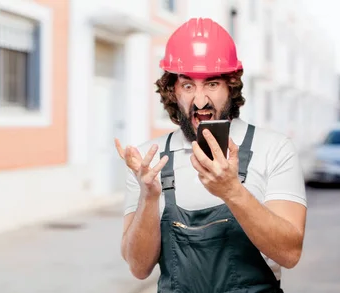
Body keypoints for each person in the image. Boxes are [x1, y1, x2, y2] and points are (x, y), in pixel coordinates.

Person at [114, 17, 307, 293]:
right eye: (188, 85)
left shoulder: (274, 149)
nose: (201, 100)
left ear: (231, 86)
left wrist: (231, 191)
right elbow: (138, 267)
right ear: (173, 90)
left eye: (212, 84)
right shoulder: (148, 159)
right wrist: (149, 196)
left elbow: (289, 254)